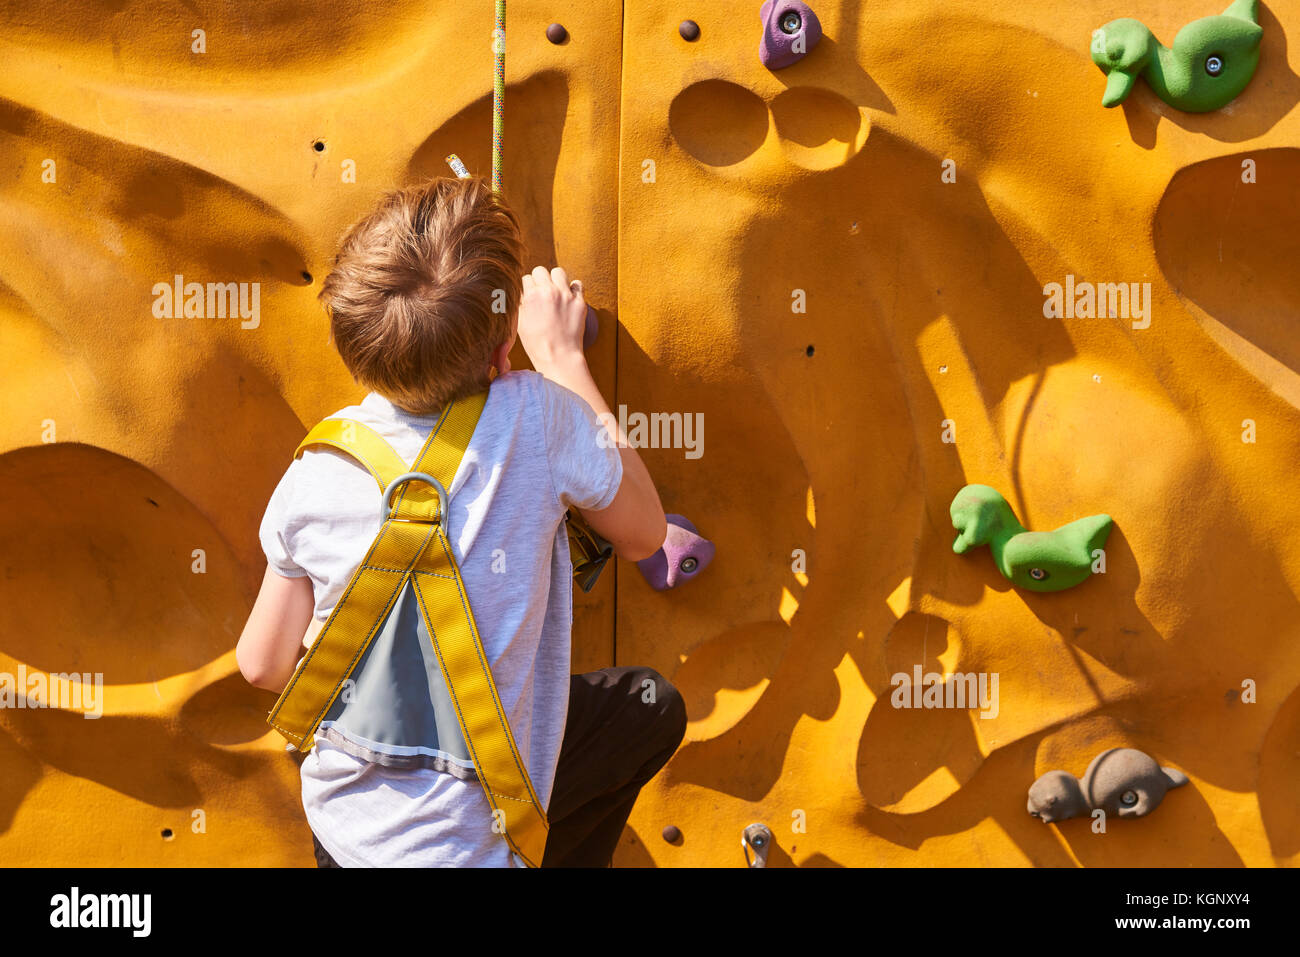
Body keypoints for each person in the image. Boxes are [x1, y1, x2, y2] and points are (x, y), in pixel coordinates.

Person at [235, 176, 686, 867]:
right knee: (651, 707)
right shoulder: (538, 415)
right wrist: (564, 359)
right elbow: (644, 531)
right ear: (504, 348)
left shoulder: (316, 467)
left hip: (347, 836)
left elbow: (262, 664)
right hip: (471, 849)